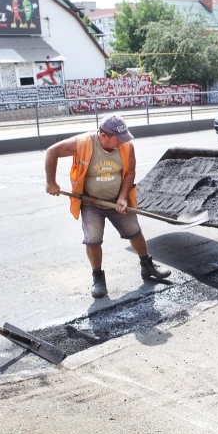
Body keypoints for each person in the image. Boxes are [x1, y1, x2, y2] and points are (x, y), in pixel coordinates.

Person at [45, 115, 171, 298]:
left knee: (134, 231)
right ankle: (98, 277)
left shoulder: (126, 145)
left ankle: (147, 266)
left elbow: (130, 173)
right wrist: (51, 182)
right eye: (118, 138)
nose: (123, 141)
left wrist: (122, 197)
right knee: (93, 239)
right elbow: (51, 151)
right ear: (103, 135)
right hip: (90, 202)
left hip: (116, 200)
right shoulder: (83, 143)